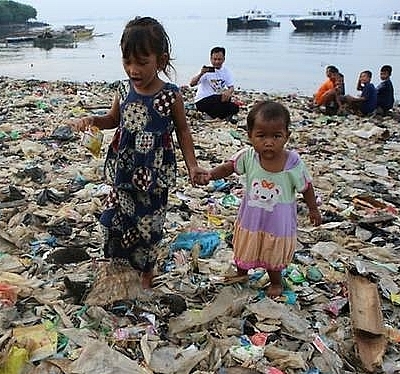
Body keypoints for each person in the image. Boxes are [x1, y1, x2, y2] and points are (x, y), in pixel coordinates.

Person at [72, 16, 207, 290]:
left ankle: (147, 270)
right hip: (124, 169)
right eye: (127, 61)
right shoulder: (122, 89)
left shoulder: (170, 95)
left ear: (161, 59)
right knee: (114, 220)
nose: (133, 69)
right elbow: (113, 119)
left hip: (154, 172)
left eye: (142, 62)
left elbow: (182, 131)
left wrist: (192, 165)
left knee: (149, 226)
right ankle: (118, 262)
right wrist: (93, 120)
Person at [201, 101, 322, 297]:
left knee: (273, 255)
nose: (269, 142)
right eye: (261, 136)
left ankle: (276, 282)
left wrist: (313, 209)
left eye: (276, 136)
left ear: (286, 136)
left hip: (277, 223)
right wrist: (209, 175)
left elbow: (306, 187)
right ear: (250, 136)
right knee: (244, 250)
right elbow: (228, 167)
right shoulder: (248, 157)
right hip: (251, 219)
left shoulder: (292, 162)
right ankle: (242, 274)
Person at [189, 46, 239, 122]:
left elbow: (231, 87)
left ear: (223, 59)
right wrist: (201, 74)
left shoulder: (226, 71)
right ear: (211, 59)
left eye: (219, 59)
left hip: (217, 101)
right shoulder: (207, 71)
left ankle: (215, 116)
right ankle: (218, 116)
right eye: (214, 59)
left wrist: (228, 92)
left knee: (234, 107)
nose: (217, 62)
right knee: (218, 98)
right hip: (202, 100)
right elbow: (192, 84)